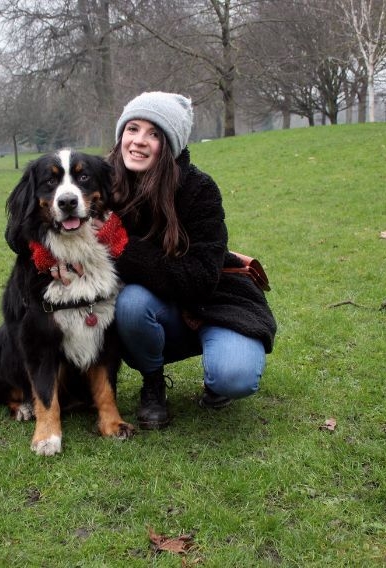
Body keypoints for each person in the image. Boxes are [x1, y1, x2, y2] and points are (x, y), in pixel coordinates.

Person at [106, 91, 277, 429]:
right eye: (133, 129)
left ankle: (217, 383)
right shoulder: (102, 179)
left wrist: (120, 247)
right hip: (154, 309)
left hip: (216, 304)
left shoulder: (199, 190)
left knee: (234, 377)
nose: (139, 141)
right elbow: (29, 223)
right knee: (131, 304)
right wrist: (43, 256)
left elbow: (198, 280)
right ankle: (153, 384)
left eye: (154, 134)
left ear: (170, 144)